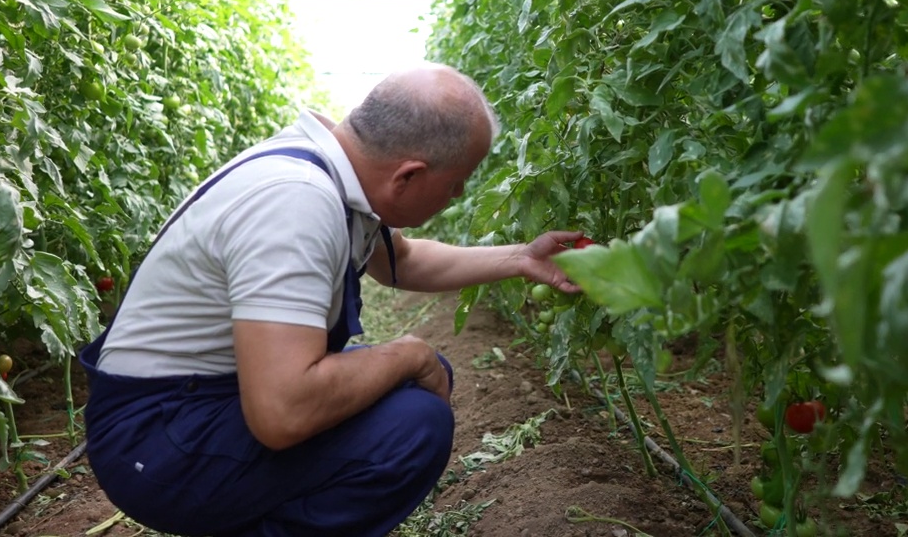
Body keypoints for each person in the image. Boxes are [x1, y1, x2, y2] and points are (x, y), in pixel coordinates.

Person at [78, 64, 581, 537]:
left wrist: (522, 258)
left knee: (419, 386)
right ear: (406, 175)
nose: (459, 194)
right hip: (156, 438)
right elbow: (283, 413)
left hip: (198, 403)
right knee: (413, 427)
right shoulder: (296, 203)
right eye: (454, 184)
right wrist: (409, 353)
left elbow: (401, 261)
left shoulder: (335, 171)